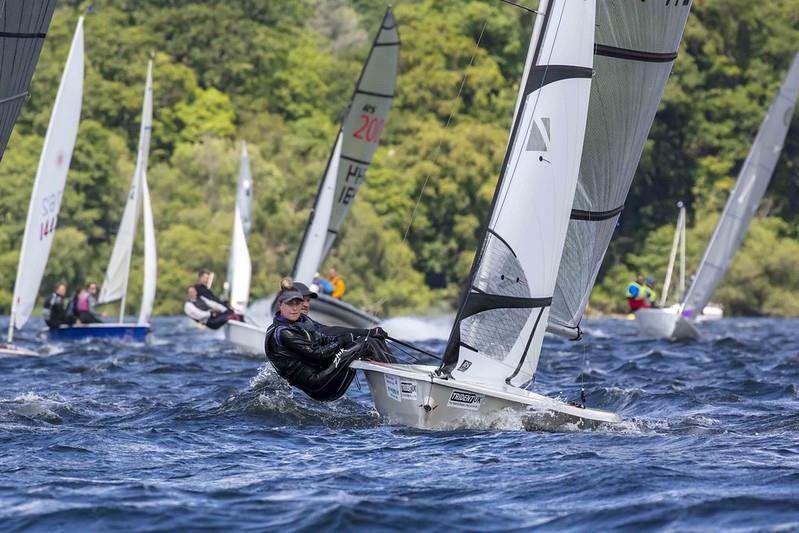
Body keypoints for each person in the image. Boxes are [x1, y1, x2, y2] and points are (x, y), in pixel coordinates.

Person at [264, 280, 392, 402]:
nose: (305, 304)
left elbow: (329, 333)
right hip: (319, 385)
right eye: (299, 301)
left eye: (306, 301)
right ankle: (394, 384)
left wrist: (368, 332)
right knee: (365, 343)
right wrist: (345, 340)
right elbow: (318, 355)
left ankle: (395, 377)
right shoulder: (284, 332)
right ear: (282, 304)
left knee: (371, 339)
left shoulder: (302, 321)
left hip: (325, 375)